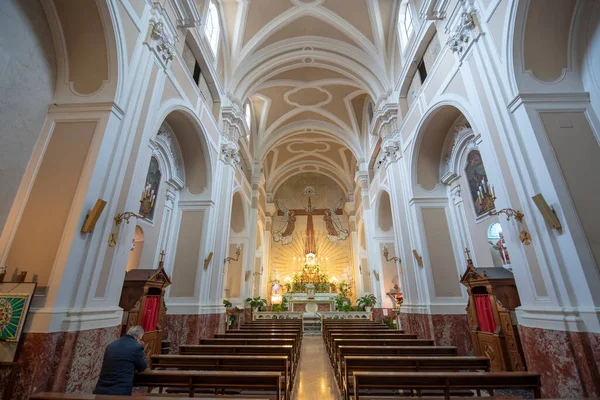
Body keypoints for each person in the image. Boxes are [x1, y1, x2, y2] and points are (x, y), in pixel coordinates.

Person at [94, 325, 148, 396]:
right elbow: (142, 367)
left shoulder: (110, 346)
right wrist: (142, 350)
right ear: (138, 338)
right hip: (120, 390)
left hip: (101, 388)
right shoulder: (137, 347)